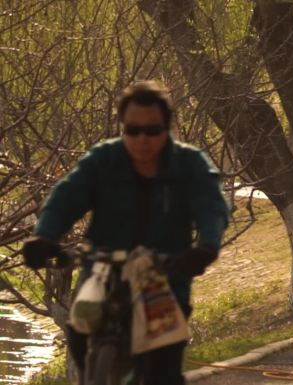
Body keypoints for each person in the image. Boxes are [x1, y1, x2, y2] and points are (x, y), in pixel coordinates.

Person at [21, 80, 229, 385]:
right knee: (79, 331)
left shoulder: (189, 164)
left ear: (167, 128)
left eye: (152, 130)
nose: (142, 139)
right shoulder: (103, 160)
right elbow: (66, 197)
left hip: (164, 278)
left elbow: (212, 207)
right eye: (133, 130)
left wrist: (206, 248)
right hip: (102, 271)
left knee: (164, 369)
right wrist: (44, 237)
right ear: (122, 128)